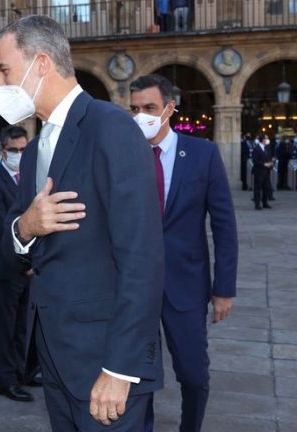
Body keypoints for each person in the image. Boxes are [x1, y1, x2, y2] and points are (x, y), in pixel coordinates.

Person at [0, 15, 164, 430]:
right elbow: (10, 249)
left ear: (41, 63)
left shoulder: (111, 128)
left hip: (105, 361)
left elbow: (142, 258)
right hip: (55, 357)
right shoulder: (35, 150)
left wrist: (121, 369)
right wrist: (26, 227)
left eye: (4, 71)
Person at [130, 74, 238, 432]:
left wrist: (224, 289)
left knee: (194, 376)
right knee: (135, 378)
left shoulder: (203, 154)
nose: (141, 116)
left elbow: (224, 226)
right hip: (134, 288)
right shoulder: (124, 156)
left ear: (169, 108)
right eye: (134, 109)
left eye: (149, 107)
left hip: (186, 286)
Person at [0, 126, 37, 403]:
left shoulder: (31, 178)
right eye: (14, 150)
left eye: (24, 149)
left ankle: (22, 371)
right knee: (5, 326)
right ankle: (6, 380)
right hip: (4, 268)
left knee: (24, 324)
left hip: (28, 266)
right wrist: (23, 263)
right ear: (2, 151)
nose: (19, 154)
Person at [252, 134, 274, 210]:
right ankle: (257, 204)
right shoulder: (256, 149)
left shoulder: (266, 148)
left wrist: (270, 163)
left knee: (266, 187)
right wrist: (264, 164)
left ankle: (265, 203)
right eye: (265, 139)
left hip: (266, 172)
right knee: (258, 188)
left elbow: (268, 157)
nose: (267, 140)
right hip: (259, 172)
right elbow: (255, 161)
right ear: (262, 140)